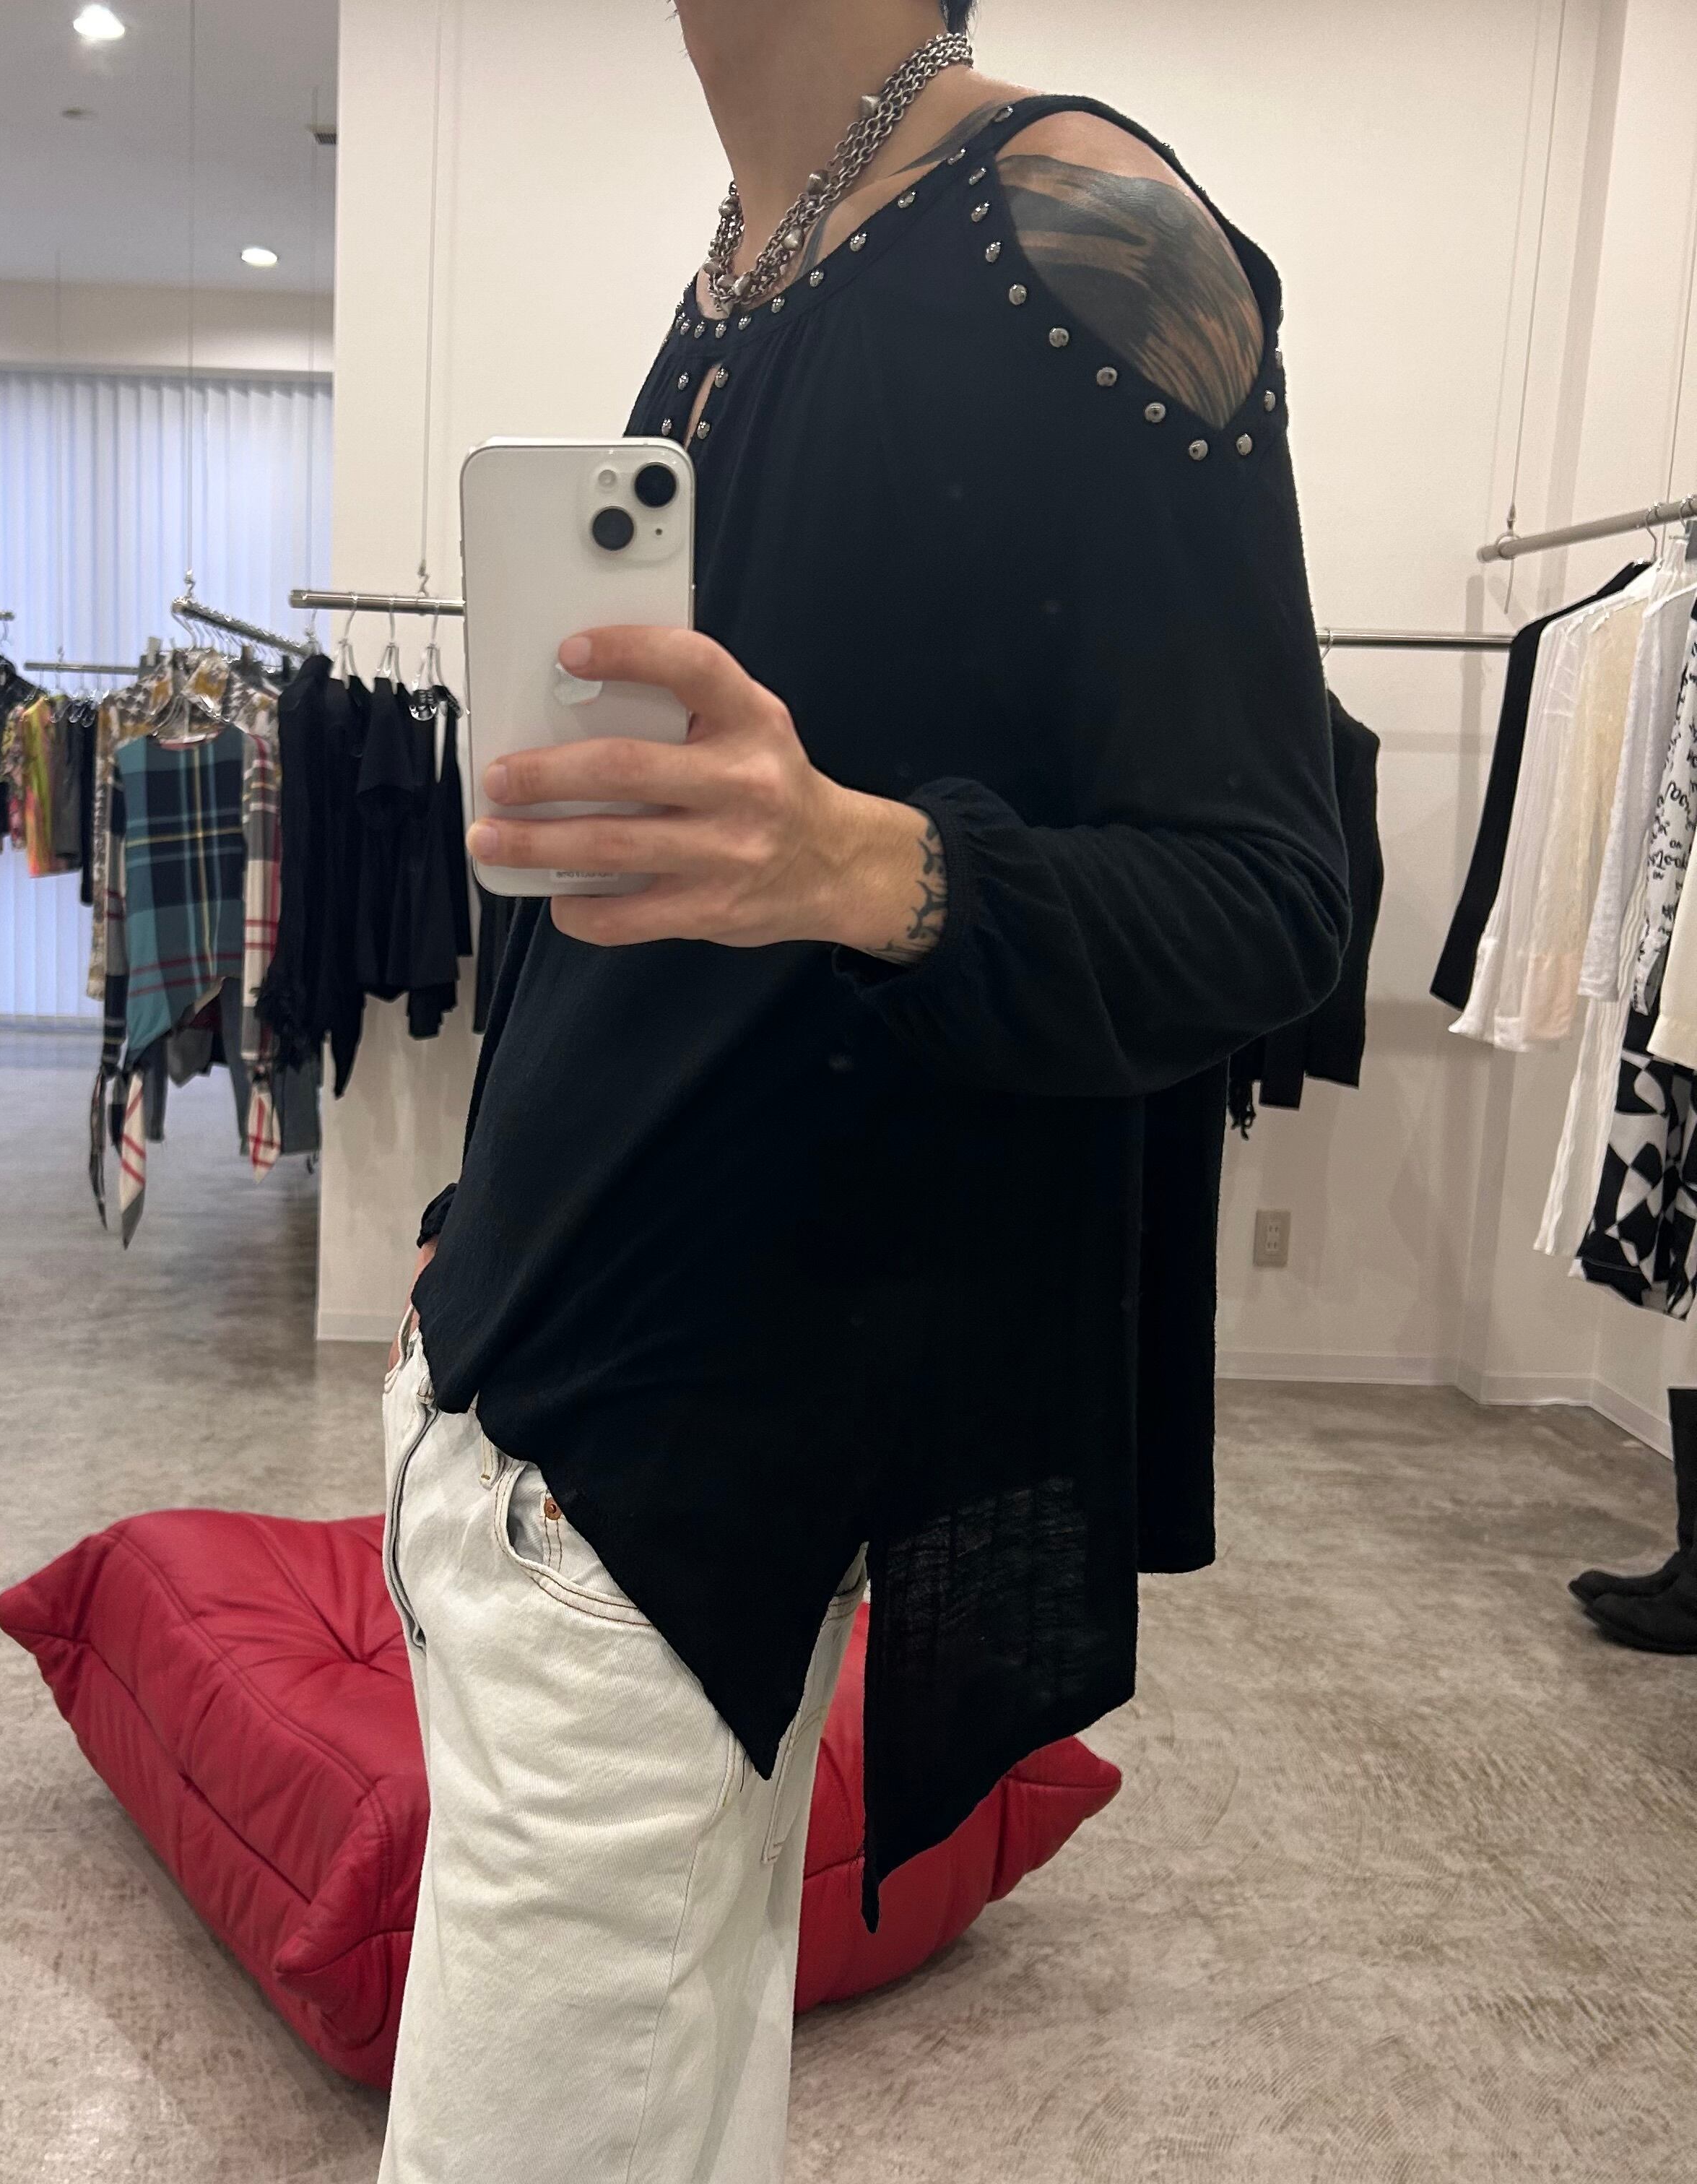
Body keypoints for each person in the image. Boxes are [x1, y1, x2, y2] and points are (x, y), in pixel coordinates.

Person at [377, 1, 1350, 2176]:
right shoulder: (747, 254)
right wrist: (469, 1223)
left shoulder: (1084, 230)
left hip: (676, 1486)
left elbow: (1278, 900)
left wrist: (861, 865)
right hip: (510, 1393)